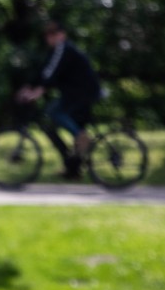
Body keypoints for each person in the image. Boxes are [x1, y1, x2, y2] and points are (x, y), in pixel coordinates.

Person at [15, 19, 102, 180]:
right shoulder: (54, 51)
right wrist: (29, 86)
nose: (50, 37)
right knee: (49, 124)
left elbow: (51, 74)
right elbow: (43, 70)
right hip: (75, 94)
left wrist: (38, 91)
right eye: (48, 35)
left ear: (62, 35)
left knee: (54, 112)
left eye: (53, 34)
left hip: (83, 93)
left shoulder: (63, 48)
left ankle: (81, 136)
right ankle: (72, 168)